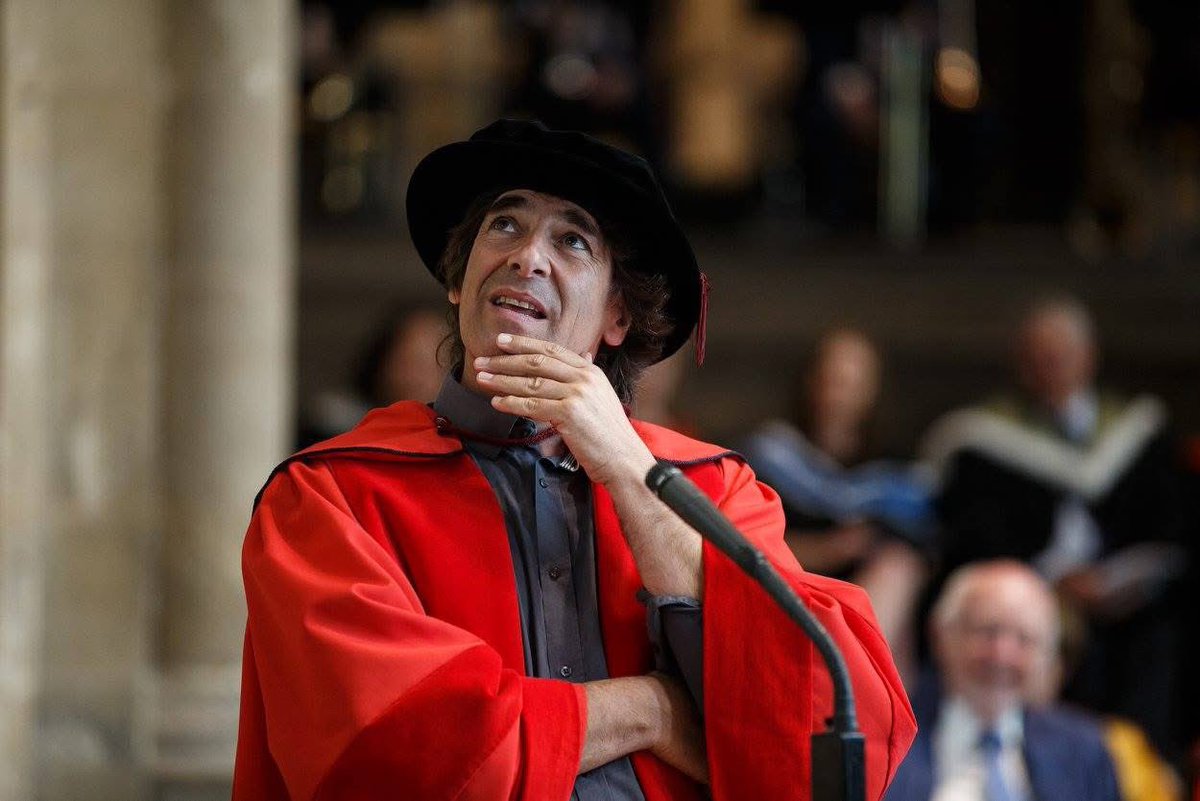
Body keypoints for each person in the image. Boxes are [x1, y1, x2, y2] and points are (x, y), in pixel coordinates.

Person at [232, 119, 916, 801]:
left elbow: (829, 741)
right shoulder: (333, 496)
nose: (528, 256)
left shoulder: (715, 488)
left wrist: (627, 467)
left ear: (616, 315)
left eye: (573, 240)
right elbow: (394, 747)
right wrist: (650, 710)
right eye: (503, 226)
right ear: (456, 278)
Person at [920, 296, 1186, 755]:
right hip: (1030, 586)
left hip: (1124, 605)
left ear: (1088, 358)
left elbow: (1170, 529)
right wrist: (1049, 579)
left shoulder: (1138, 433)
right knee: (1016, 632)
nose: (1049, 367)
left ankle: (1144, 770)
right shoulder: (985, 441)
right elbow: (970, 537)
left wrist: (1119, 581)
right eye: (1037, 357)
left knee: (1163, 636)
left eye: (1060, 354)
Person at [740, 328, 936, 677]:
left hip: (864, 601)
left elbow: (920, 551)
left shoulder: (891, 468)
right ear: (811, 380)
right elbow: (743, 542)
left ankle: (860, 685)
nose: (839, 393)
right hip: (788, 589)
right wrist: (831, 548)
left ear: (872, 390)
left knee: (899, 569)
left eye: (851, 381)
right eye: (832, 378)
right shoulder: (770, 455)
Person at [885, 560, 1121, 801]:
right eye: (988, 632)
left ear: (1047, 656)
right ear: (941, 635)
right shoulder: (887, 741)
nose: (1002, 655)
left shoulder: (1083, 751)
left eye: (1024, 639)